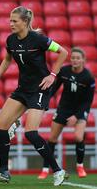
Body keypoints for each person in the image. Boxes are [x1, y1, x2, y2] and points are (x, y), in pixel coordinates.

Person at [0, 6, 69, 186]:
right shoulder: (11, 40)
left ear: (25, 22)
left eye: (14, 21)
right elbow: (7, 59)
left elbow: (63, 52)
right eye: (10, 20)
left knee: (31, 133)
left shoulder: (39, 39)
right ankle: (3, 172)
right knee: (1, 127)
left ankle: (58, 171)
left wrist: (52, 75)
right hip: (22, 89)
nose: (10, 23)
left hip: (40, 89)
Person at [38, 47, 95, 179]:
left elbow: (88, 101)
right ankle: (45, 169)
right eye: (73, 57)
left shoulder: (89, 78)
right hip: (64, 108)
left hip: (80, 110)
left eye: (78, 58)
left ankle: (80, 166)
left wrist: (77, 116)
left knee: (78, 137)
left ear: (83, 60)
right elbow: (54, 88)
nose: (75, 60)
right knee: (52, 138)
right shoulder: (64, 71)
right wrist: (44, 102)